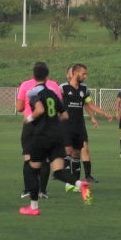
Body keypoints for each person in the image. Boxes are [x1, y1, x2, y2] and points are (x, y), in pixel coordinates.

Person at [19, 61, 90, 217]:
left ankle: (33, 207)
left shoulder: (32, 92)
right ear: (46, 77)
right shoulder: (52, 92)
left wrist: (29, 118)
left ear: (34, 75)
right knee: (58, 172)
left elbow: (39, 109)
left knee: (32, 168)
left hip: (41, 135)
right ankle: (80, 184)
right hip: (57, 135)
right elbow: (64, 115)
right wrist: (51, 120)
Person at [62, 63, 113, 184]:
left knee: (77, 153)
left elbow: (90, 105)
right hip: (66, 125)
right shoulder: (62, 88)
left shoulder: (84, 89)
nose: (85, 76)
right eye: (83, 73)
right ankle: (67, 179)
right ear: (75, 73)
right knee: (67, 151)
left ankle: (76, 180)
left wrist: (104, 113)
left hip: (79, 126)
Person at [16, 67, 62, 200]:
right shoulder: (53, 86)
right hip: (48, 127)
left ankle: (28, 190)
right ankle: (43, 191)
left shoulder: (26, 85)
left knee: (28, 157)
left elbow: (19, 108)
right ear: (47, 75)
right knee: (46, 158)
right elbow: (59, 107)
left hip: (31, 125)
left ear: (33, 74)